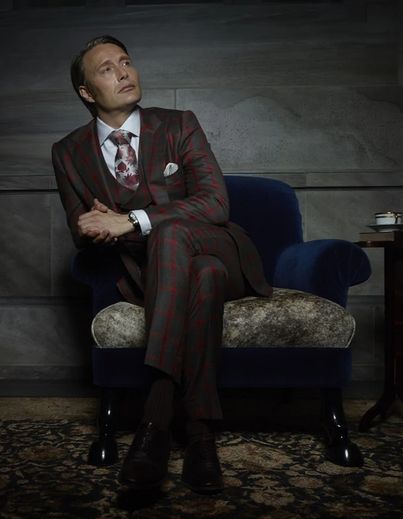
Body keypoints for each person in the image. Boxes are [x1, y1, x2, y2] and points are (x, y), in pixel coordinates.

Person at [52, 36, 272, 494]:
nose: (124, 72)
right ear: (87, 92)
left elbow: (215, 204)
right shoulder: (68, 152)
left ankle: (154, 423)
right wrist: (93, 227)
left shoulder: (178, 125)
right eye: (107, 69)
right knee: (202, 277)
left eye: (126, 62)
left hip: (221, 249)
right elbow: (81, 225)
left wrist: (129, 220)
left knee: (174, 235)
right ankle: (200, 435)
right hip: (153, 274)